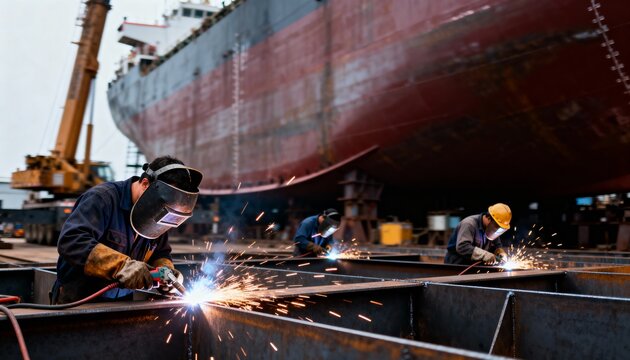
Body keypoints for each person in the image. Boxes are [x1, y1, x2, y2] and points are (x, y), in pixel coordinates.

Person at [51, 156, 202, 304]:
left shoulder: (156, 215)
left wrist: (166, 272)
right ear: (145, 184)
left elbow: (159, 252)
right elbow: (71, 242)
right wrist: (122, 266)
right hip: (79, 300)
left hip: (121, 303)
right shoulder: (102, 199)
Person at [444, 203, 511, 265]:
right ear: (489, 218)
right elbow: (462, 247)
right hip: (457, 265)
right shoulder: (469, 224)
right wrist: (484, 255)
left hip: (472, 265)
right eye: (497, 226)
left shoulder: (491, 229)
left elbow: (497, 245)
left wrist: (500, 251)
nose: (497, 230)